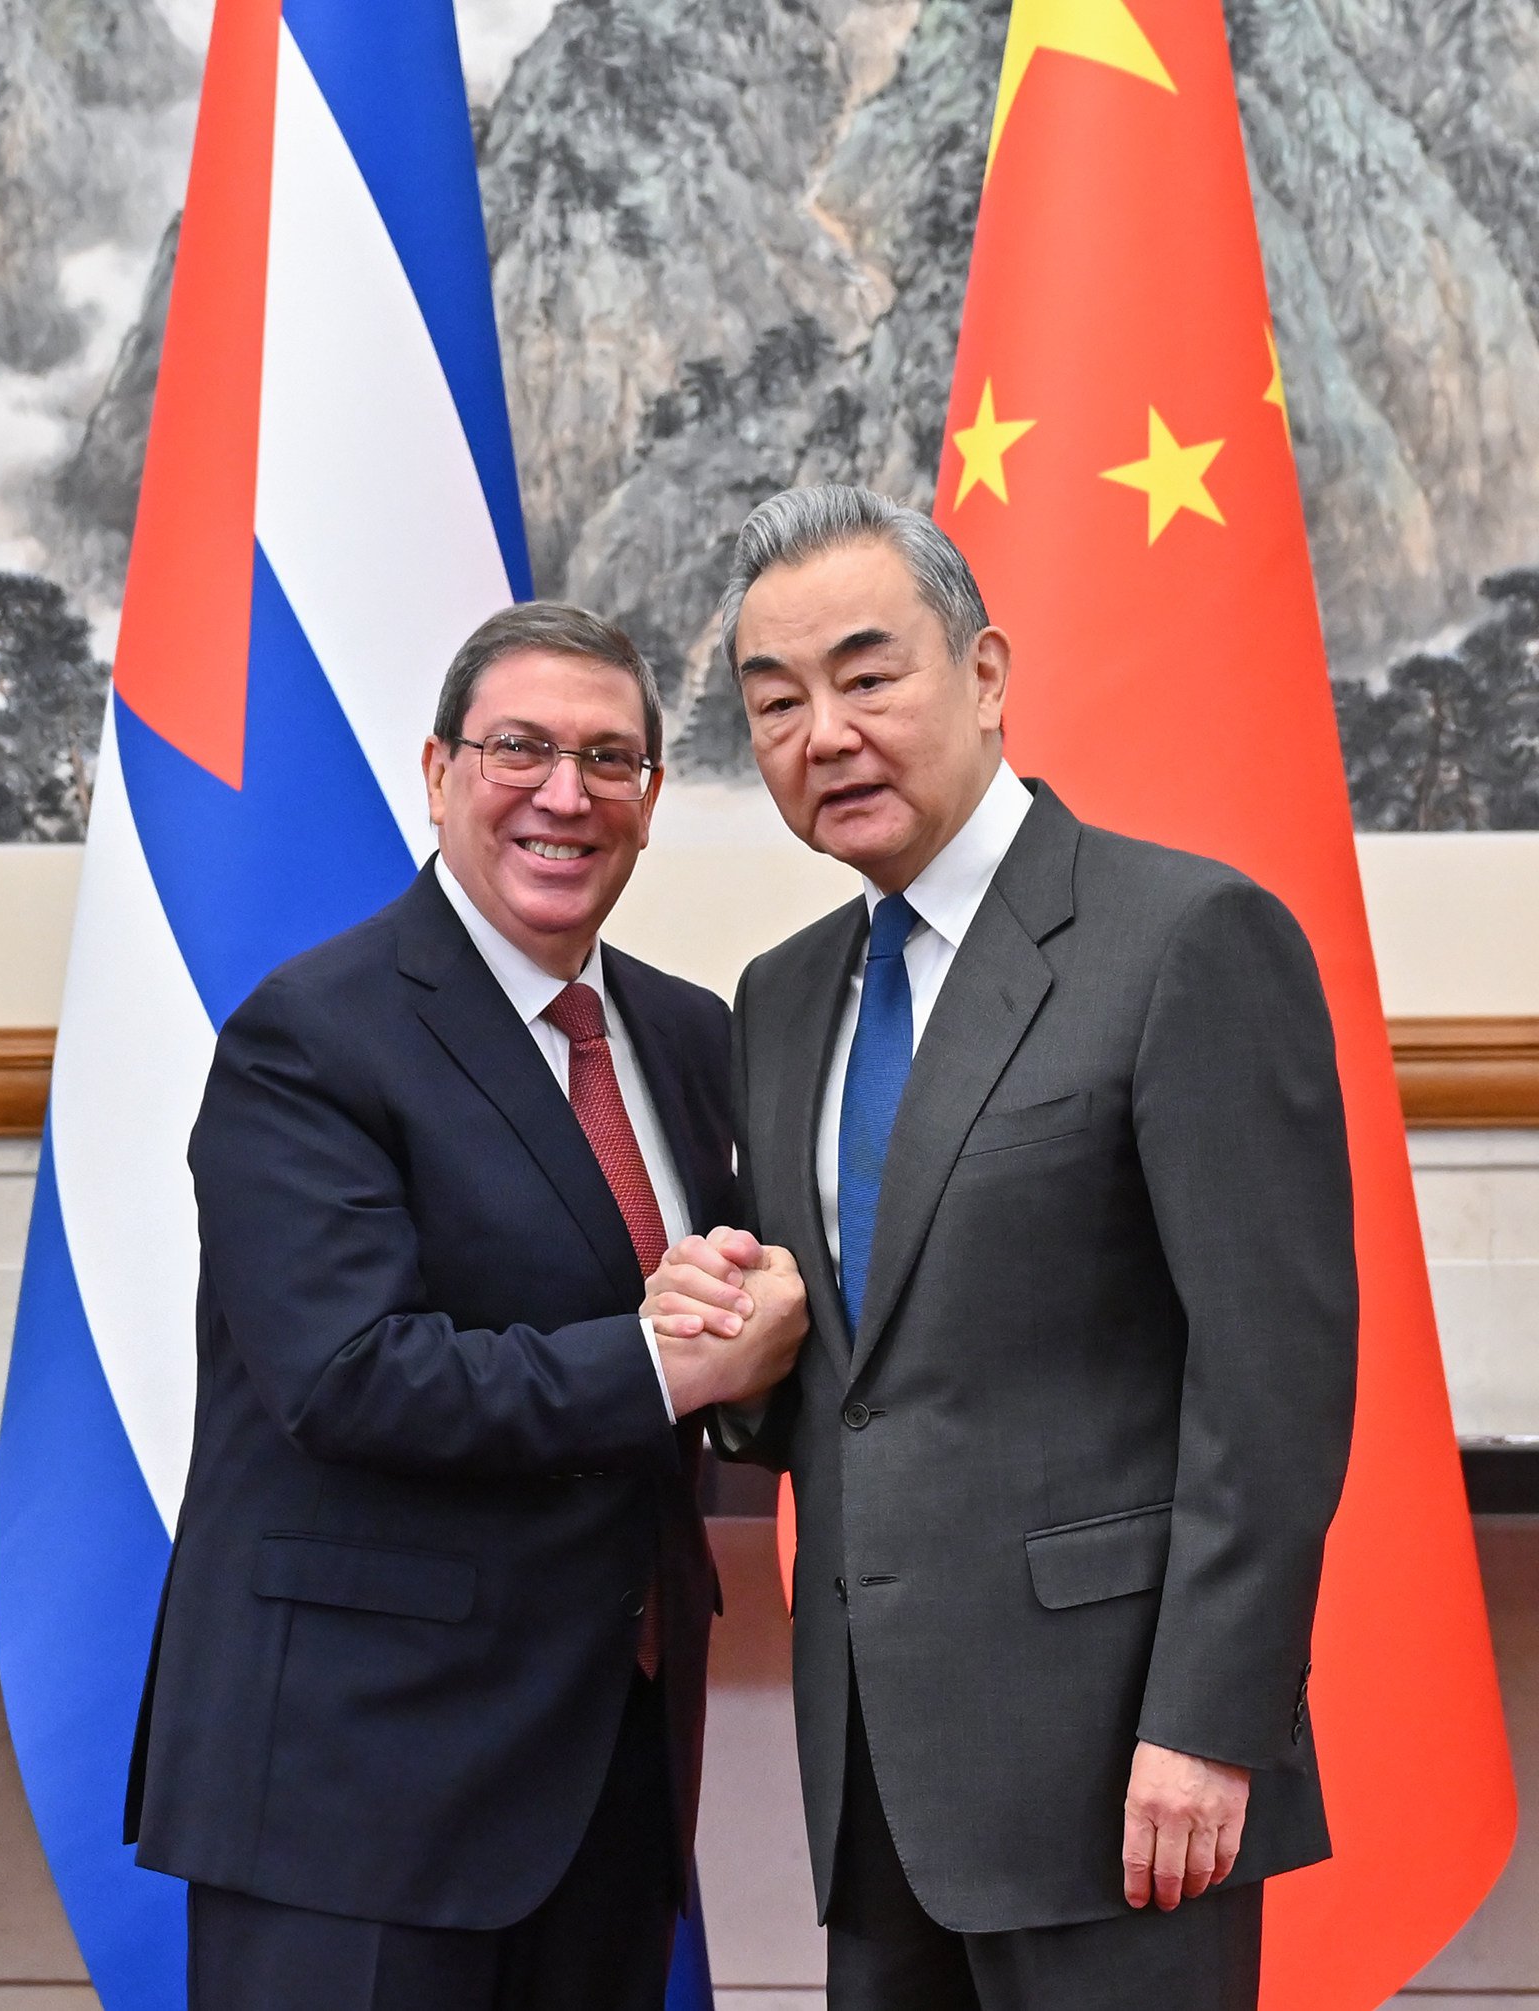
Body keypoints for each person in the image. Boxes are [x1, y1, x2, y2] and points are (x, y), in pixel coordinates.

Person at [645, 487, 1359, 2010]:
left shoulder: (1184, 939)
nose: (823, 733)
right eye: (773, 703)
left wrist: (1212, 1721)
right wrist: (734, 1346)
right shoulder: (780, 999)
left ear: (983, 675)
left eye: (866, 675)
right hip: (879, 1779)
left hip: (1120, 1771)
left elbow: (1273, 1378)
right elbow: (851, 1370)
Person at [130, 601, 808, 2011]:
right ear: (437, 775)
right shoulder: (312, 1035)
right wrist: (664, 1367)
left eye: (610, 760)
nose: (567, 795)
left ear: (650, 798)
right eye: (522, 749)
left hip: (606, 1771)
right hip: (359, 1786)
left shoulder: (688, 1036)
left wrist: (753, 1353)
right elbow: (351, 1376)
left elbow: (725, 1324)